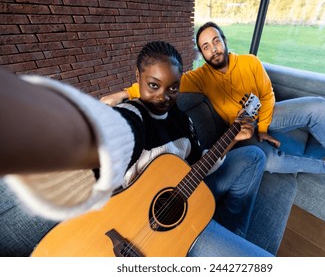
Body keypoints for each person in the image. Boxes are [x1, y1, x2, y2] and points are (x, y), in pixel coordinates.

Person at [0, 41, 272, 257]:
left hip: (185, 200)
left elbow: (202, 163)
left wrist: (233, 137)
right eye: (153, 85)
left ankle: (232, 231)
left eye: (173, 88)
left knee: (254, 155)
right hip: (130, 231)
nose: (163, 97)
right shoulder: (131, 116)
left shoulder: (183, 121)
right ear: (137, 77)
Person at [100, 22, 325, 187]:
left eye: (216, 41)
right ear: (202, 53)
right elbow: (164, 82)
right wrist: (125, 93)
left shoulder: (250, 61)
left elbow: (268, 94)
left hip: (267, 116)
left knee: (319, 106)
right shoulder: (200, 77)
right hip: (239, 125)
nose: (213, 49)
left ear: (225, 41)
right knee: (266, 161)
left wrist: (262, 129)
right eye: (206, 47)